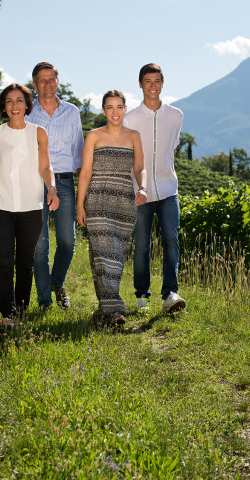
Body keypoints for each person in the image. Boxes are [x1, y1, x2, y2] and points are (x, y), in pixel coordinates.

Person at [0, 84, 59, 328]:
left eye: (19, 100)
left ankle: (20, 311)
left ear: (28, 105)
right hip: (0, 206)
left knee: (25, 262)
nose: (14, 105)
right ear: (4, 107)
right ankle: (8, 315)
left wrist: (51, 188)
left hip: (31, 206)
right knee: (4, 261)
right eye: (9, 101)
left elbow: (45, 166)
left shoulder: (38, 132)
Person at [76, 90, 147, 325]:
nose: (115, 112)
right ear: (104, 110)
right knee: (106, 254)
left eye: (119, 107)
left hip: (125, 201)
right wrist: (80, 205)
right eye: (110, 107)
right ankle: (116, 310)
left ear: (125, 109)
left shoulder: (134, 136)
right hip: (98, 199)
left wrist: (143, 187)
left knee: (113, 256)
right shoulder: (94, 136)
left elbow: (139, 169)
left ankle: (103, 312)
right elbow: (85, 172)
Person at [124, 63, 186, 313]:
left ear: (162, 84)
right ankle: (142, 296)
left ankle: (170, 293)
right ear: (140, 84)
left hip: (169, 190)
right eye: (147, 81)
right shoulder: (130, 118)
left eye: (157, 80)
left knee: (171, 239)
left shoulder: (176, 115)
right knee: (142, 245)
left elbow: (172, 149)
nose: (152, 85)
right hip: (141, 192)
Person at [25, 62, 84, 309]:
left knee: (67, 241)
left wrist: (84, 191)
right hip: (34, 182)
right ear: (35, 84)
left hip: (64, 182)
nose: (47, 84)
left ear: (57, 82)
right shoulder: (28, 113)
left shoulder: (72, 112)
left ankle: (56, 282)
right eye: (42, 80)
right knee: (39, 246)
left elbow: (79, 153)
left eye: (51, 79)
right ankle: (45, 301)